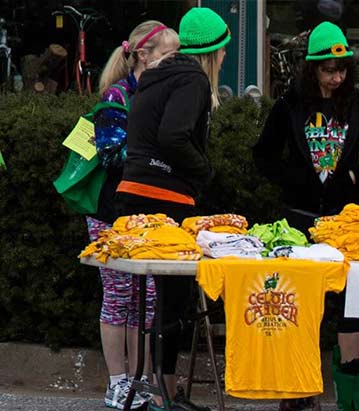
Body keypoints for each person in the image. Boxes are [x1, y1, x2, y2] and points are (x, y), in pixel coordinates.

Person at [252, 21, 359, 411]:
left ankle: (352, 389)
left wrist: (355, 174)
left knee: (352, 304)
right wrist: (294, 176)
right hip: (299, 218)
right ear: (312, 68)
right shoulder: (289, 104)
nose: (337, 77)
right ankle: (299, 390)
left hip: (346, 221)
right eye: (329, 70)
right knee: (301, 304)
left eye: (343, 69)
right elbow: (263, 155)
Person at [116, 7, 228, 411]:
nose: (225, 59)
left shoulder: (155, 75)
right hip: (166, 196)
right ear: (212, 52)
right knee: (174, 298)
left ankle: (154, 387)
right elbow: (173, 136)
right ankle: (167, 393)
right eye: (223, 51)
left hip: (133, 192)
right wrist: (204, 170)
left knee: (153, 298)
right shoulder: (194, 80)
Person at [90, 20, 179, 410]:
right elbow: (109, 152)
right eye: (168, 55)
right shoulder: (117, 94)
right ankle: (117, 381)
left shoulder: (166, 92)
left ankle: (139, 379)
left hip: (147, 214)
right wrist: (154, 152)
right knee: (119, 295)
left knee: (146, 300)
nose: (175, 63)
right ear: (144, 55)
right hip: (111, 212)